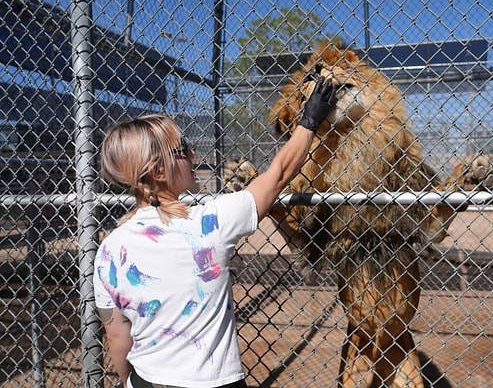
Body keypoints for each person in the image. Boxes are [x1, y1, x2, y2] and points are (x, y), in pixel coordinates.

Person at [93, 76, 337, 388]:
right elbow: (278, 174)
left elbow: (115, 334)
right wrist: (311, 121)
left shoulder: (110, 249)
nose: (193, 154)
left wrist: (131, 382)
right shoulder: (209, 223)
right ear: (157, 171)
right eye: (182, 149)